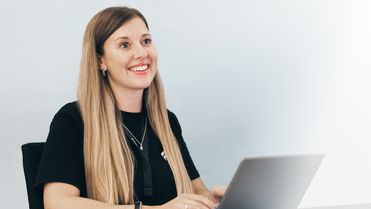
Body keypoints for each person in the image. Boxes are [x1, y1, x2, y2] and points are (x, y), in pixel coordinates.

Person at [34, 6, 226, 209]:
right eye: (125, 45)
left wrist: (212, 200)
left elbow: (196, 191)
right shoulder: (73, 119)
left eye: (146, 41)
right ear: (100, 60)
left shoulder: (167, 121)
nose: (141, 52)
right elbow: (57, 203)